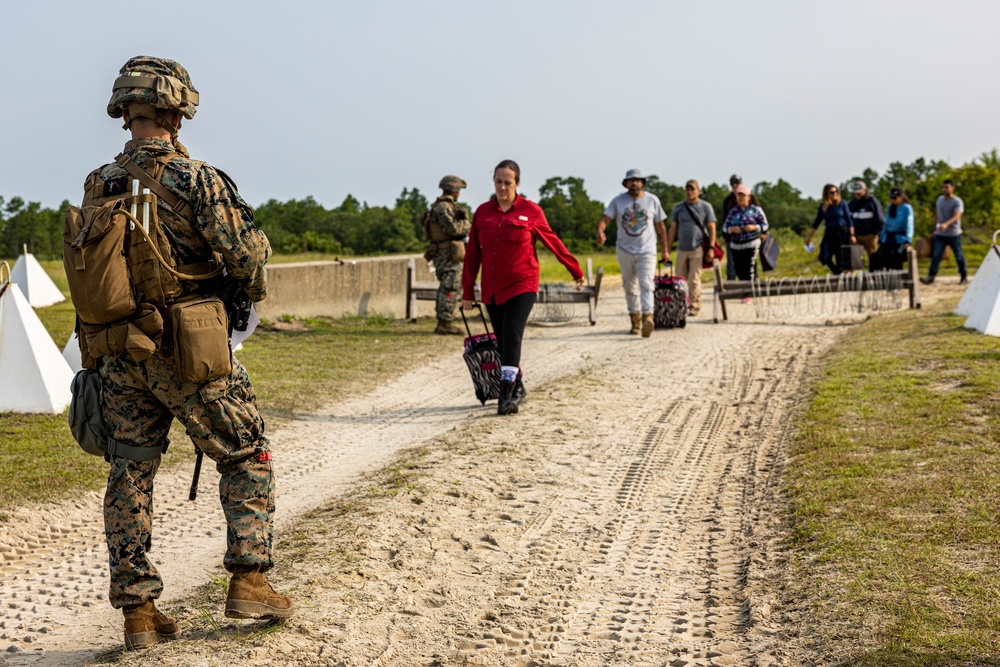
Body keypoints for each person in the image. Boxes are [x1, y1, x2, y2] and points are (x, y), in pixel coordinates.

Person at [70, 56, 293, 650]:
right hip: (188, 345)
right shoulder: (198, 179)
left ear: (126, 111)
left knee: (131, 470)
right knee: (247, 452)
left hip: (119, 352)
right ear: (176, 110)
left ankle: (138, 614)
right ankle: (249, 578)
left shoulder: (98, 182)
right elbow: (247, 258)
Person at [463, 160, 583, 415]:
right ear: (493, 181)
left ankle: (506, 393)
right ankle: (518, 384)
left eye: (508, 182)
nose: (502, 187)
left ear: (517, 183)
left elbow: (553, 242)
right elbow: (472, 255)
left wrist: (574, 269)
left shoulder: (531, 211)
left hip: (522, 283)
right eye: (498, 181)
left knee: (512, 334)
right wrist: (466, 292)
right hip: (492, 287)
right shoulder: (483, 212)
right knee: (501, 343)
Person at [596, 169, 668, 336]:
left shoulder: (652, 200)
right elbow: (605, 219)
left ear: (642, 183)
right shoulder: (618, 201)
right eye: (631, 180)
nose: (634, 183)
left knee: (646, 283)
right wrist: (600, 231)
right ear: (626, 183)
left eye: (638, 180)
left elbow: (660, 227)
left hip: (647, 250)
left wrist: (664, 250)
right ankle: (635, 321)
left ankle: (647, 317)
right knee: (629, 286)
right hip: (624, 249)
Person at [424, 175, 471, 334]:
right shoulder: (444, 207)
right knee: (450, 286)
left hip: (447, 252)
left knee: (450, 286)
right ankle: (444, 323)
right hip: (446, 253)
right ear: (455, 191)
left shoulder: (443, 206)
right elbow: (453, 229)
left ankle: (445, 320)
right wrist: (467, 223)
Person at [666, 179, 718, 316]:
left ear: (698, 191)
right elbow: (672, 230)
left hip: (698, 247)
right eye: (687, 190)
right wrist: (667, 249)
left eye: (692, 189)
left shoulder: (706, 207)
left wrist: (711, 248)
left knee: (693, 279)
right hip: (682, 248)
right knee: (679, 278)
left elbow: (712, 228)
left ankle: (694, 305)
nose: (689, 192)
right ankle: (681, 304)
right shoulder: (678, 208)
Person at [722, 185, 769, 295]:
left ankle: (750, 292)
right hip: (736, 244)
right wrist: (731, 229)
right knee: (739, 268)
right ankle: (744, 289)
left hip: (751, 242)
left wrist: (754, 227)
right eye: (739, 196)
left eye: (743, 196)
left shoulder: (755, 210)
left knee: (750, 267)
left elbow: (765, 225)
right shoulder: (733, 212)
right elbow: (725, 227)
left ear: (748, 197)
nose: (741, 199)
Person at [921, 179, 967, 285]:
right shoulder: (939, 200)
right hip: (940, 234)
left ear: (952, 188)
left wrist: (946, 224)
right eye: (943, 187)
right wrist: (934, 229)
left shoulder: (957, 201)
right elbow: (937, 215)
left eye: (946, 187)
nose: (944, 189)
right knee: (936, 255)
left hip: (954, 234)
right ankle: (931, 277)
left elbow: (957, 215)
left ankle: (963, 276)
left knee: (959, 256)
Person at [804, 184, 856, 275]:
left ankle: (841, 276)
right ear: (826, 194)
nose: (835, 194)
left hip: (842, 232)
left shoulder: (842, 204)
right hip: (830, 232)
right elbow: (816, 223)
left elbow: (849, 220)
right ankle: (837, 272)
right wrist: (809, 238)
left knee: (840, 256)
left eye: (836, 192)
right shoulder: (823, 207)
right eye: (832, 192)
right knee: (824, 256)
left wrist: (852, 235)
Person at [721, 174, 760, 281]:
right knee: (732, 264)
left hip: (750, 237)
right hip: (733, 238)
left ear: (741, 183)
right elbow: (724, 219)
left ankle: (753, 285)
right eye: (732, 183)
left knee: (751, 263)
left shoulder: (750, 197)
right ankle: (732, 287)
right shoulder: (728, 201)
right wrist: (725, 236)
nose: (734, 185)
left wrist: (763, 232)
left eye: (736, 183)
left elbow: (759, 216)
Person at [871, 187, 913, 271]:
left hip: (900, 238)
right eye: (891, 198)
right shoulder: (890, 207)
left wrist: (908, 240)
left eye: (895, 198)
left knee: (897, 261)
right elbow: (886, 224)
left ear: (901, 197)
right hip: (889, 238)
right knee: (882, 259)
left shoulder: (906, 208)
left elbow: (909, 224)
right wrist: (881, 238)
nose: (893, 200)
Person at [847, 179, 885, 264]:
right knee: (856, 259)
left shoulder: (873, 202)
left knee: (873, 257)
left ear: (865, 190)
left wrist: (877, 233)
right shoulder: (852, 203)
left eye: (859, 192)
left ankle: (873, 274)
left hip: (870, 235)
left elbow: (880, 219)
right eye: (856, 193)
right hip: (857, 235)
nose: (857, 195)